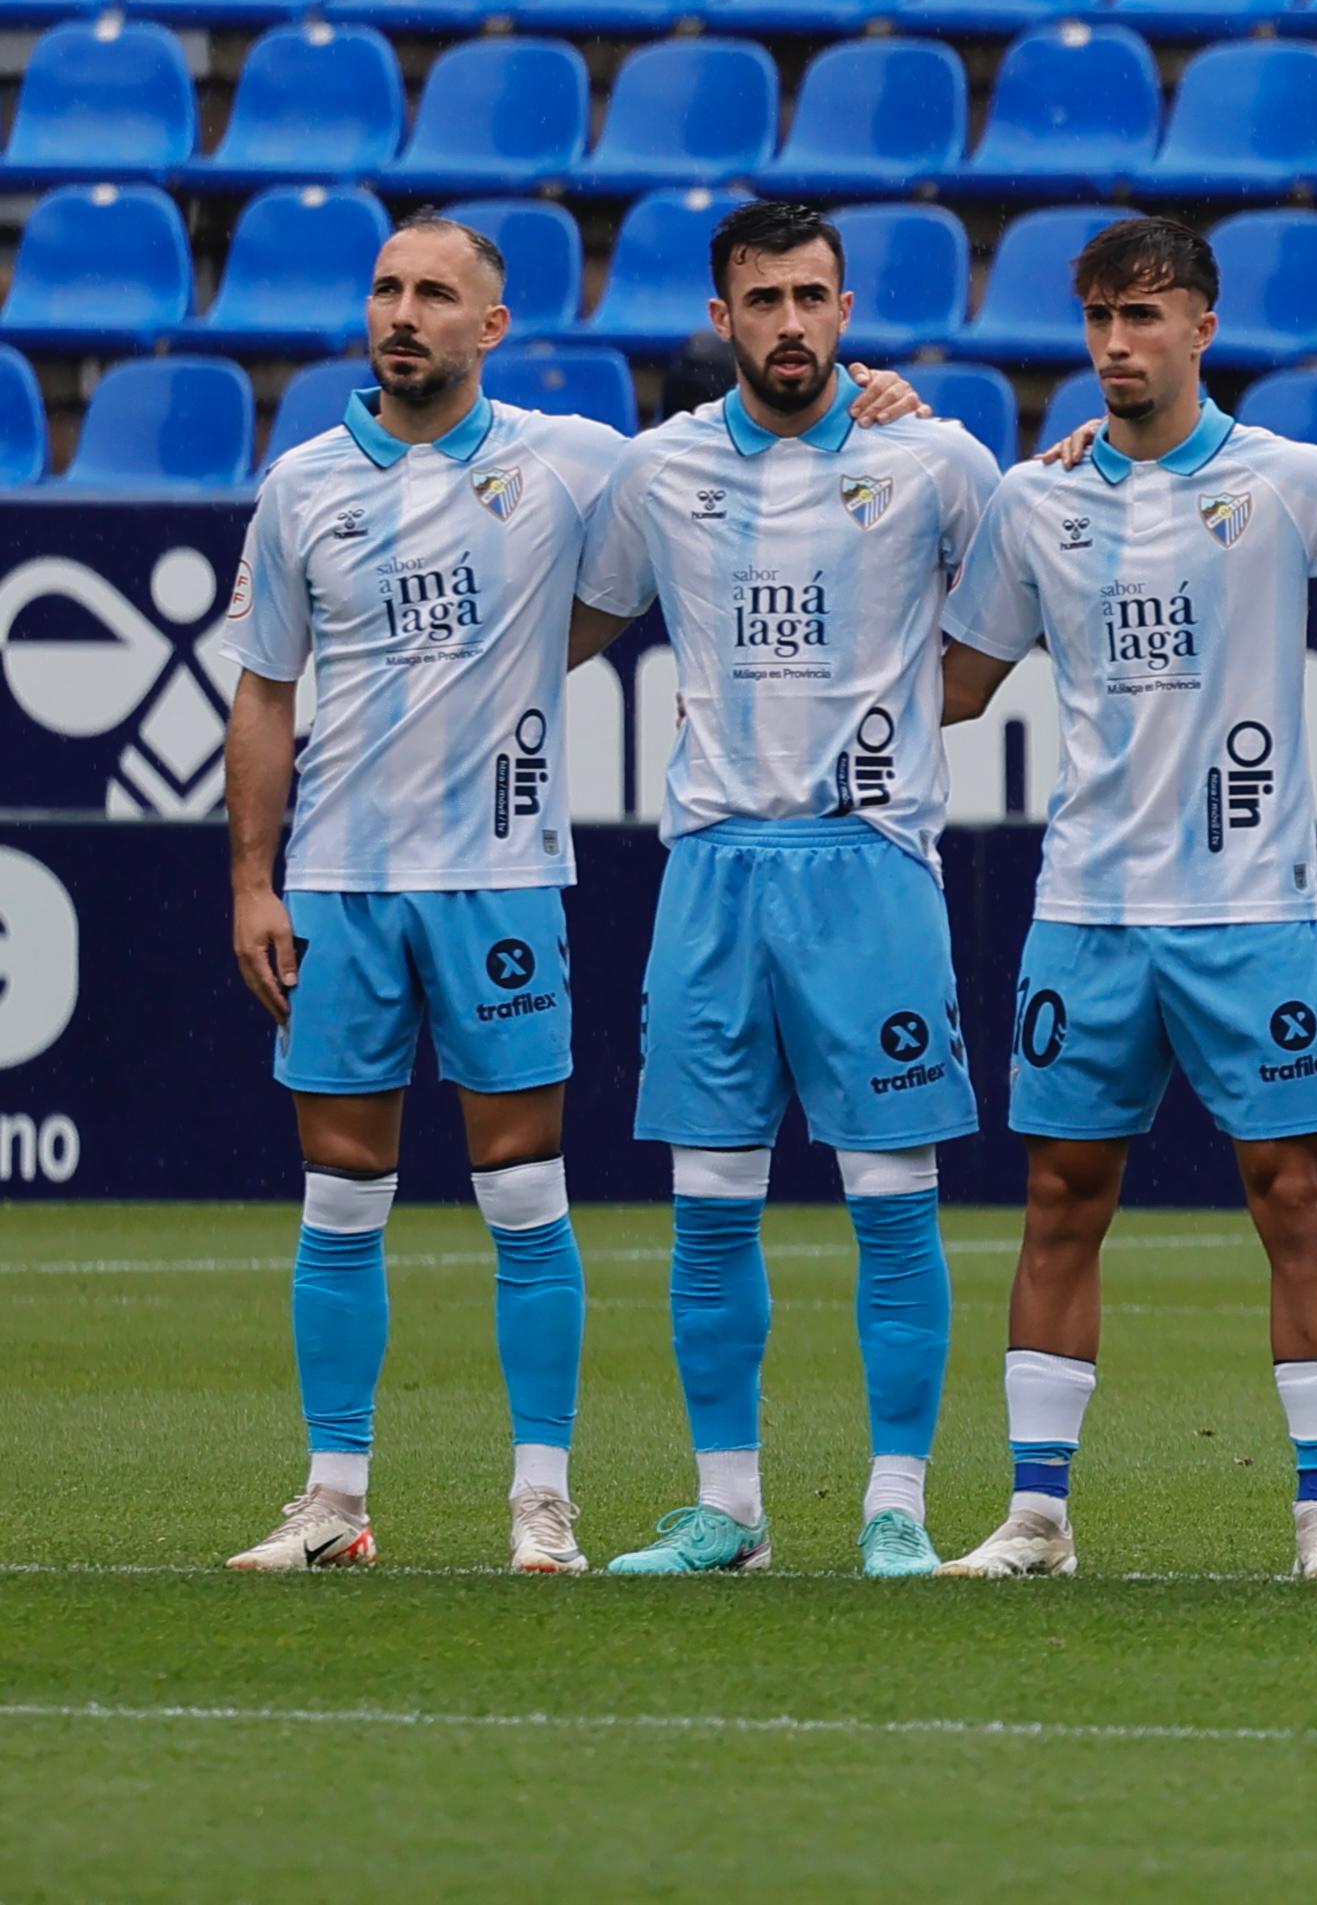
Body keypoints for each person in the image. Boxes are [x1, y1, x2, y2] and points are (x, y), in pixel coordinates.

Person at [930, 219, 1317, 1584]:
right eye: (1099, 317)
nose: (1116, 343)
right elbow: (957, 685)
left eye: (1144, 316)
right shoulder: (1034, 504)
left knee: (1296, 1195)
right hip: (1087, 908)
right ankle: (1037, 1516)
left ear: (1202, 328)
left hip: (1250, 909)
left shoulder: (1288, 484)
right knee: (1059, 1196)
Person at [569, 203, 1010, 1578]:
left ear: (847, 305)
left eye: (812, 297)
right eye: (762, 300)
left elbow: (1019, 598)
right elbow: (576, 625)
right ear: (723, 316)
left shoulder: (935, 459)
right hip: (710, 868)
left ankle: (897, 1503)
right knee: (710, 1199)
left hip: (869, 863)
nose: (790, 324)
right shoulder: (657, 473)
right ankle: (732, 1508)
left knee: (894, 1196)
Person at [213, 221, 637, 1578]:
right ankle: (336, 1498)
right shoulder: (302, 483)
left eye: (435, 294)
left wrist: (884, 398)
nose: (404, 314)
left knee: (525, 1196)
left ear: (491, 326)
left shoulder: (570, 461)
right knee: (339, 1199)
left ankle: (542, 1500)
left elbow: (722, 465)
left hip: (500, 880)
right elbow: (266, 693)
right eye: (389, 290)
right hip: (337, 884)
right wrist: (251, 881)